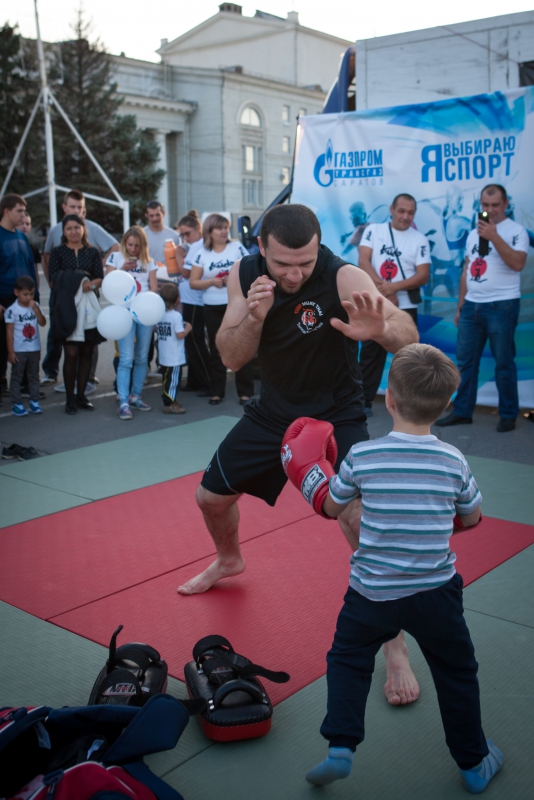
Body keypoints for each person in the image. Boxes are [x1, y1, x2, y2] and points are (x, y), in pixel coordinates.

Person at [179, 204, 420, 706]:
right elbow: (230, 356)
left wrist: (378, 330)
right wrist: (255, 316)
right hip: (272, 413)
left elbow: (407, 334)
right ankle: (229, 559)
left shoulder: (342, 275)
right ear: (262, 247)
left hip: (338, 413)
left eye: (305, 263)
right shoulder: (244, 275)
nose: (294, 274)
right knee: (209, 499)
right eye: (284, 263)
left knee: (357, 518)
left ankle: (394, 644)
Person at [283, 344, 502, 794]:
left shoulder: (362, 456)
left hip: (371, 595)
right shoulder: (454, 461)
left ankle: (340, 747)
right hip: (436, 594)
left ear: (389, 399)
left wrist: (307, 471)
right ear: (444, 407)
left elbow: (332, 507)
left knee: (347, 661)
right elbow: (473, 517)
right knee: (457, 674)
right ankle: (474, 762)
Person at [436, 184, 529, 433]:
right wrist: (460, 306)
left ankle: (508, 413)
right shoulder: (473, 233)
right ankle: (463, 411)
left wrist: (494, 236)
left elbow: (518, 263)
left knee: (504, 362)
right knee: (465, 363)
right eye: (485, 206)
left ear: (505, 203)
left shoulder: (516, 231)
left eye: (495, 205)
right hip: (472, 307)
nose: (490, 210)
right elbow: (467, 269)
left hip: (502, 305)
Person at [357, 193, 430, 416]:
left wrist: (394, 288)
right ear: (391, 209)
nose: (405, 216)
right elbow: (363, 261)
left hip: (406, 307)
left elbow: (423, 275)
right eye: (401, 211)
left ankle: (408, 405)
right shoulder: (373, 231)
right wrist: (384, 290)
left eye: (410, 212)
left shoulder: (420, 240)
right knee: (370, 355)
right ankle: (363, 403)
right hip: (377, 304)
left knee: (407, 357)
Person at [41, 189, 118, 386]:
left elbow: (114, 247)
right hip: (63, 295)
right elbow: (47, 256)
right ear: (64, 208)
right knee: (61, 334)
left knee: (89, 338)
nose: (77, 211)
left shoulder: (91, 240)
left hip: (87, 297)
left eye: (80, 208)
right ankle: (51, 372)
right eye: (73, 207)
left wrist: (94, 274)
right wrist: (54, 283)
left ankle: (87, 379)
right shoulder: (56, 234)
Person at [189, 214, 253, 405]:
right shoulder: (201, 253)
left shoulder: (237, 248)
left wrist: (235, 279)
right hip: (212, 307)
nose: (224, 231)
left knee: (241, 345)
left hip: (236, 305)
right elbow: (193, 282)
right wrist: (212, 282)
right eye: (220, 228)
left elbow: (250, 270)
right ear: (209, 231)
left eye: (226, 227)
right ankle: (217, 391)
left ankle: (245, 392)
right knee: (217, 348)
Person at [48, 215, 103, 414]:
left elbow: (100, 277)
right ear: (63, 231)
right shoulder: (58, 252)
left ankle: (81, 395)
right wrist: (80, 279)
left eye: (76, 227)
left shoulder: (93, 252)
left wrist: (91, 284)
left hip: (89, 306)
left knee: (87, 351)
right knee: (70, 354)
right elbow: (54, 278)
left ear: (83, 229)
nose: (73, 231)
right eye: (69, 228)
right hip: (67, 306)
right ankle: (69, 398)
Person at [106, 226, 158, 420]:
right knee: (126, 358)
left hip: (144, 311)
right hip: (124, 312)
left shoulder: (149, 262)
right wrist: (122, 270)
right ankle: (124, 402)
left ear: (143, 245)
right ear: (124, 243)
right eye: (130, 245)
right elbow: (108, 282)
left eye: (137, 245)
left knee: (143, 357)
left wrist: (152, 308)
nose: (133, 249)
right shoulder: (115, 257)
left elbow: (153, 287)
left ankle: (135, 395)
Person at [0, 194, 39, 400]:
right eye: (19, 211)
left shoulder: (22, 237)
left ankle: (26, 385)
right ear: (7, 211)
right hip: (4, 300)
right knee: (2, 344)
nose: (23, 215)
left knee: (26, 341)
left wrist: (35, 296)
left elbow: (30, 269)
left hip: (25, 302)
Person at [175, 210, 211, 395]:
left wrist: (178, 255)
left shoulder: (198, 246)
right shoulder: (196, 245)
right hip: (190, 300)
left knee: (196, 341)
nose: (185, 237)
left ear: (198, 229)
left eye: (187, 233)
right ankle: (194, 381)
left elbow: (186, 273)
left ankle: (207, 381)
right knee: (190, 342)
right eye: (182, 234)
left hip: (195, 301)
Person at [5, 275, 46, 416]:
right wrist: (10, 351)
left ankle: (34, 401)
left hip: (34, 348)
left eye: (31, 294)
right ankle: (16, 403)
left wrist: (36, 309)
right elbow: (9, 331)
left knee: (34, 376)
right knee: (17, 376)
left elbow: (42, 323)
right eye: (25, 294)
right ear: (16, 293)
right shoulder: (12, 310)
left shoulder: (35, 306)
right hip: (19, 349)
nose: (29, 297)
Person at [157, 282, 192, 414]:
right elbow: (179, 334)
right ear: (178, 300)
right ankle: (168, 403)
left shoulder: (159, 314)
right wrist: (187, 328)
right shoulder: (176, 316)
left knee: (167, 379)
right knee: (173, 381)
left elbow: (156, 328)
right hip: (174, 356)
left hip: (164, 354)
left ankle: (171, 399)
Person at [143, 200, 180, 265]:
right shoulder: (141, 235)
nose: (155, 219)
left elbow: (180, 259)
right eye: (151, 216)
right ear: (146, 215)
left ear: (163, 213)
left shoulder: (174, 236)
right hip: (147, 273)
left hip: (169, 274)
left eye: (157, 215)